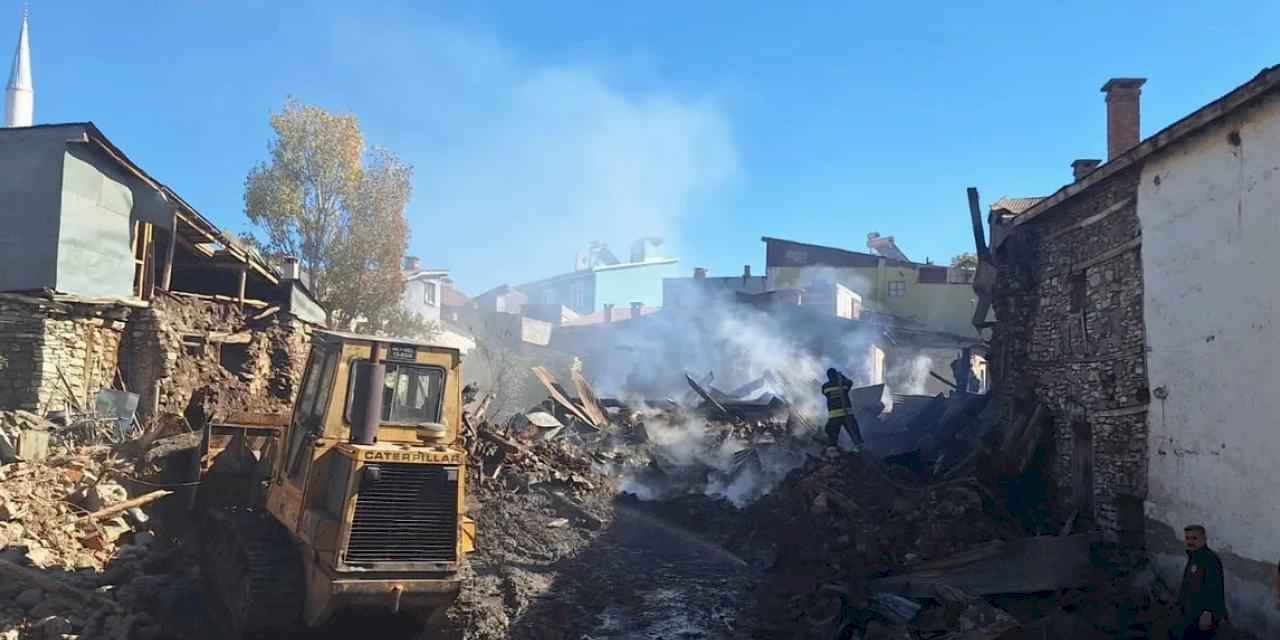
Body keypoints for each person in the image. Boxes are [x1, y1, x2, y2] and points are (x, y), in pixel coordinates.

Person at [1166, 524, 1229, 639]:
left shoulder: (1210, 559)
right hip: (1190, 614)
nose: (1190, 542)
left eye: (1194, 538)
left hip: (1203, 617)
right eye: (1187, 538)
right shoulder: (1194, 557)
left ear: (1204, 539)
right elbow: (1187, 585)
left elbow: (1215, 588)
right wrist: (1179, 604)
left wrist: (1208, 613)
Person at [821, 368, 863, 450]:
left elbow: (824, 393)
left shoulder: (825, 387)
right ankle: (860, 449)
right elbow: (850, 382)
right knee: (854, 433)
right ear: (836, 375)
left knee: (832, 436)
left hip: (834, 416)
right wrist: (842, 377)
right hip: (847, 414)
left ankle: (832, 452)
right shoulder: (844, 384)